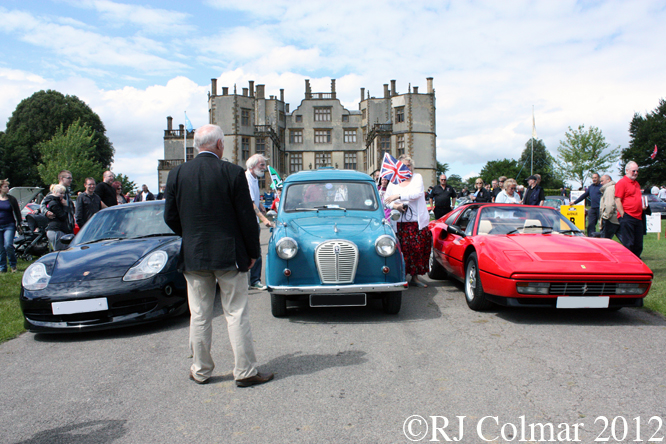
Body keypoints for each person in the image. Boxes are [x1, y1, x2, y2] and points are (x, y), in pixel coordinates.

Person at [164, 124, 273, 387]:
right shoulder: (232, 173)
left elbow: (170, 217)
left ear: (195, 146)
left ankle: (200, 370)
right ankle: (245, 371)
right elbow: (247, 219)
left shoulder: (177, 174)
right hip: (229, 254)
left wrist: (190, 235)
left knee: (199, 314)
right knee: (235, 313)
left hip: (195, 255)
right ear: (220, 145)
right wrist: (252, 252)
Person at [384, 155, 432, 288]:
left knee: (417, 250)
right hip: (399, 222)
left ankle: (415, 278)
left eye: (409, 165)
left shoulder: (417, 177)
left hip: (416, 221)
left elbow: (417, 193)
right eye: (404, 165)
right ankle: (402, 276)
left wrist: (399, 196)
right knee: (402, 251)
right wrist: (396, 206)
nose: (407, 167)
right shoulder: (394, 181)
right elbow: (386, 201)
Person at [245, 154, 273, 291]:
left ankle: (254, 280)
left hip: (252, 220)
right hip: (247, 221)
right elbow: (250, 204)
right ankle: (252, 280)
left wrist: (261, 205)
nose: (264, 168)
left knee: (255, 250)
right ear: (252, 166)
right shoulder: (247, 178)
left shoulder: (255, 178)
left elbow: (255, 200)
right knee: (251, 250)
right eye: (261, 165)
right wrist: (264, 219)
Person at [615, 161, 647, 258]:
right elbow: (617, 200)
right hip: (628, 216)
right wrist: (623, 214)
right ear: (627, 171)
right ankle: (629, 262)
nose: (636, 173)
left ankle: (636, 260)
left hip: (638, 216)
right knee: (629, 242)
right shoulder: (622, 183)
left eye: (637, 171)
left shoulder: (636, 184)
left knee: (638, 243)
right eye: (634, 171)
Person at [0, 179, 22, 273]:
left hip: (9, 225)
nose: (7, 188)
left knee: (8, 245)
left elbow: (17, 212)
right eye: (5, 186)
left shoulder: (11, 199)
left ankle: (13, 265)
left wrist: (19, 224)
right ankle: (2, 267)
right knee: (1, 248)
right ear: (0, 188)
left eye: (7, 186)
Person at [44, 184, 73, 251]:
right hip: (56, 230)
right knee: (60, 251)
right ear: (54, 192)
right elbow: (63, 216)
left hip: (56, 229)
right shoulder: (54, 203)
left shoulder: (54, 202)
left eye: (63, 193)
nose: (62, 195)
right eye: (60, 193)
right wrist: (65, 206)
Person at [599, 174, 620, 240]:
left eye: (602, 181)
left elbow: (610, 205)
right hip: (617, 217)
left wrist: (605, 216)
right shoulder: (615, 187)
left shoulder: (609, 189)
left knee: (604, 241)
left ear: (609, 180)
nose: (601, 183)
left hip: (611, 219)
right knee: (625, 240)